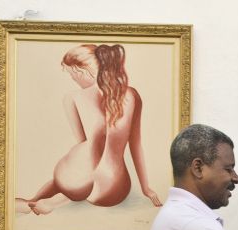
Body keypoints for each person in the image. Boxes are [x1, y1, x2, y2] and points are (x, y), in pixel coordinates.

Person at [16, 44, 161, 216]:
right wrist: (146, 188)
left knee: (70, 177)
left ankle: (39, 199)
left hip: (71, 176)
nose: (74, 81)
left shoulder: (71, 98)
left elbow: (82, 143)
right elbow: (135, 144)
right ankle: (55, 200)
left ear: (82, 71)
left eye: (72, 76)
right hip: (112, 187)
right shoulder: (131, 95)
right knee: (85, 180)